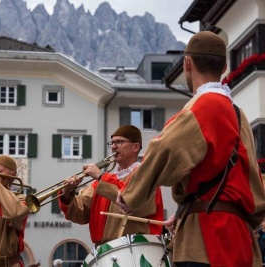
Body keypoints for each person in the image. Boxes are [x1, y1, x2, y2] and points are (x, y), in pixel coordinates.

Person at [116, 31, 265, 267]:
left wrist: (130, 193)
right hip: (241, 241)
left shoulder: (201, 107)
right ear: (225, 66)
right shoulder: (239, 115)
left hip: (204, 242)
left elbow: (162, 149)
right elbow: (253, 181)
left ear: (187, 63)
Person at [58, 125, 164, 246]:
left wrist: (101, 177)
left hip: (138, 248)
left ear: (135, 147)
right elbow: (79, 214)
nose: (113, 147)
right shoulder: (103, 182)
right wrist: (67, 194)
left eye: (119, 142)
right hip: (103, 251)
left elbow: (133, 202)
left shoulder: (146, 175)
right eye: (112, 143)